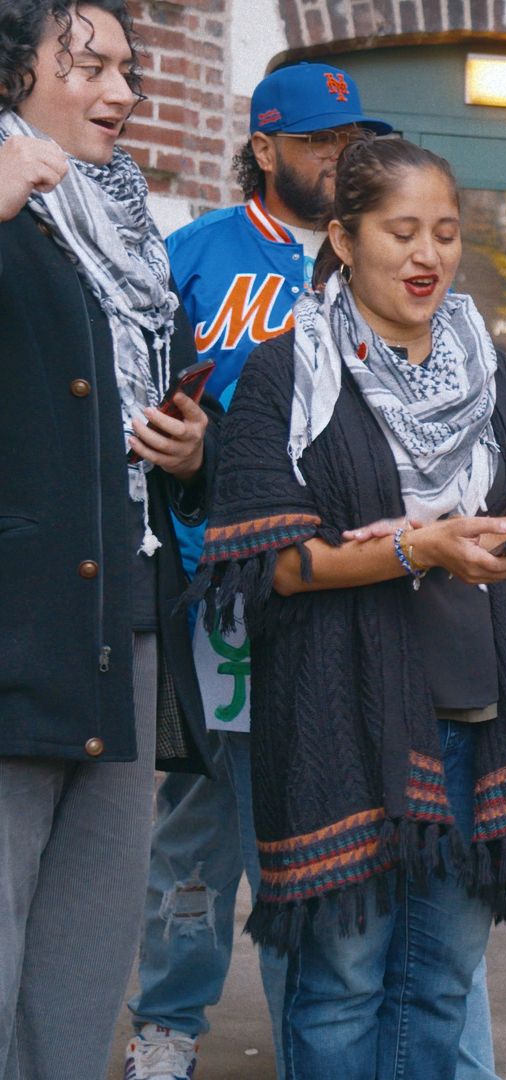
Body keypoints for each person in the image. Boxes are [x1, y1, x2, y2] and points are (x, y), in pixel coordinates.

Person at [118, 62, 506, 1080]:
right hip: (224, 585)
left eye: (355, 143)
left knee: (369, 840)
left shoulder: (395, 265)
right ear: (265, 149)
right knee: (203, 826)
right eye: (319, 143)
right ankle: (170, 1018)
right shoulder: (193, 255)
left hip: (377, 597)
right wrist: (181, 449)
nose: (342, 159)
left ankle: (374, 1044)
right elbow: (146, 400)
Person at [190, 136, 506, 1077]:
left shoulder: (494, 371)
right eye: (404, 231)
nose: (429, 256)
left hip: (477, 715)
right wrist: (416, 547)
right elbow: (273, 558)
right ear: (343, 238)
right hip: (339, 718)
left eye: (448, 234)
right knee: (341, 985)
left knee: (441, 980)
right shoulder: (282, 371)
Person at [0, 4, 211, 1076]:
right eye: (89, 66)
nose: (122, 93)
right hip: (15, 623)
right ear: (15, 72)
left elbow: (139, 406)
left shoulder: (132, 230)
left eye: (129, 69)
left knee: (84, 960)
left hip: (126, 618)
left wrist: (189, 449)